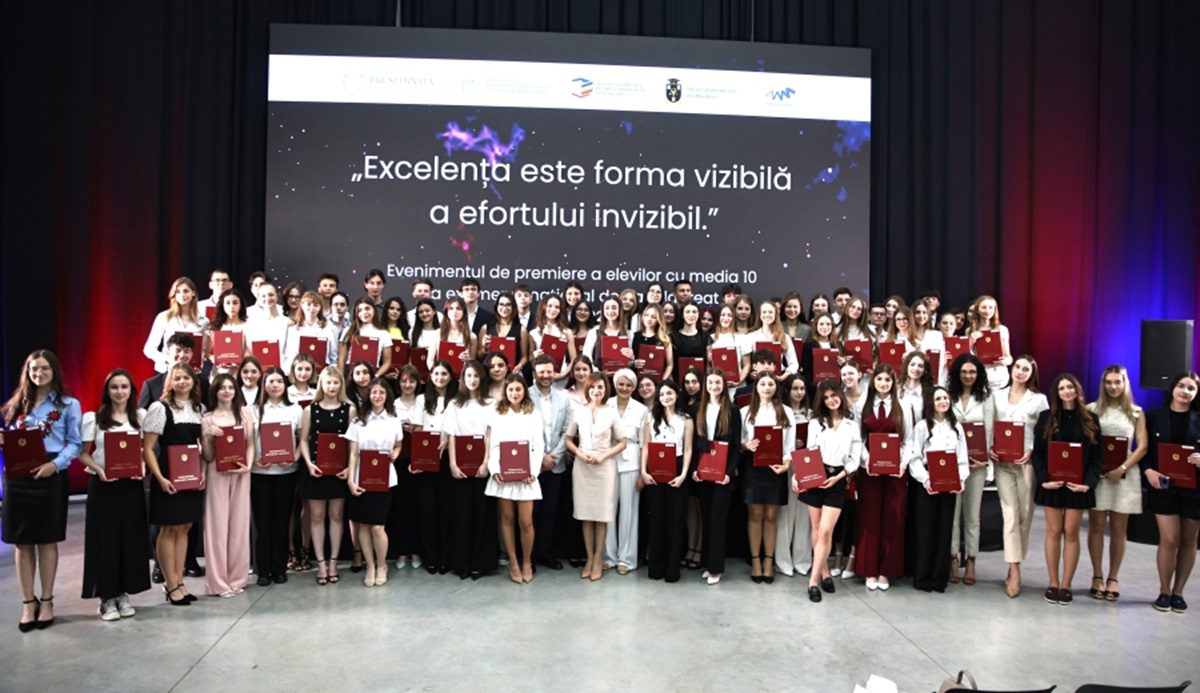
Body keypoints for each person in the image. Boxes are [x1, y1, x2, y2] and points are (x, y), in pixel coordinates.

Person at [2, 350, 82, 631]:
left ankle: (47, 600)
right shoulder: (17, 403)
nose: (39, 373)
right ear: (28, 372)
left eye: (45, 368)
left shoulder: (69, 404)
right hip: (18, 477)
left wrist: (55, 465)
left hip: (50, 473)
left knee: (47, 540)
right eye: (34, 369)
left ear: (54, 371)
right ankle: (28, 602)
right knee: (22, 542)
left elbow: (75, 443)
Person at [79, 369, 151, 621]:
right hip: (104, 487)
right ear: (107, 391)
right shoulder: (94, 418)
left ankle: (123, 594)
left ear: (131, 390)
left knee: (129, 540)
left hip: (130, 487)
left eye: (124, 387)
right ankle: (106, 598)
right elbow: (83, 453)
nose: (119, 392)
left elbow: (144, 449)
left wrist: (142, 465)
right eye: (114, 387)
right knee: (105, 541)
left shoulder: (140, 417)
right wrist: (99, 469)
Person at [1031, 373, 1102, 605]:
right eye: (1061, 388)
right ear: (1056, 393)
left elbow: (1097, 457)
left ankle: (1066, 584)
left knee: (1071, 532)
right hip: (1052, 484)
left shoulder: (1090, 419)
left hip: (1078, 486)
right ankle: (1053, 582)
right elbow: (1038, 454)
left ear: (1077, 389)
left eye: (1070, 387)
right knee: (1053, 531)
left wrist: (1087, 484)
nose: (1066, 391)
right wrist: (1044, 479)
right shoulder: (1046, 418)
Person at [141, 362, 205, 606]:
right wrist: (159, 478)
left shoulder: (199, 408)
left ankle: (180, 581)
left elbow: (200, 446)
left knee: (185, 527)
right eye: (177, 378)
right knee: (168, 529)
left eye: (186, 378)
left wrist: (202, 473)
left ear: (193, 381)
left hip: (190, 475)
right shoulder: (159, 408)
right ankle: (170, 584)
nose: (182, 382)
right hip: (167, 475)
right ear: (169, 381)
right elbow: (148, 448)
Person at [1085, 365, 1147, 602]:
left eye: (1117, 382)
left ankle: (1113, 577)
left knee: (1119, 529)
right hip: (1099, 476)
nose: (1113, 386)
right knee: (1096, 526)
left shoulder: (1136, 412)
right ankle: (1097, 575)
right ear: (1103, 384)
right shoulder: (1091, 409)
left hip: (1124, 475)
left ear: (1125, 383)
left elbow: (1142, 446)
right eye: (1108, 382)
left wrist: (1121, 468)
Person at [795, 380, 861, 603]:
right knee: (816, 528)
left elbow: (855, 458)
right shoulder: (816, 423)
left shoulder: (852, 425)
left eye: (834, 395)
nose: (831, 400)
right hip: (815, 474)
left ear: (840, 396)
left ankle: (812, 582)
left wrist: (839, 477)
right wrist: (798, 475)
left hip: (837, 479)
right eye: (826, 398)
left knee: (825, 531)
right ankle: (824, 573)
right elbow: (809, 451)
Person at [1140, 371, 1200, 614]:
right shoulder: (1153, 417)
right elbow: (1143, 451)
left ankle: (1179, 592)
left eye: (1191, 388)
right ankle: (1164, 591)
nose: (1185, 391)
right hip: (1162, 487)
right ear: (1172, 388)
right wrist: (1148, 471)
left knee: (1189, 541)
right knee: (1170, 539)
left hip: (1195, 489)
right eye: (1181, 386)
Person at [990, 355, 1049, 598]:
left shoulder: (1039, 399)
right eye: (1018, 367)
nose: (1020, 372)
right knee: (1010, 515)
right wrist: (989, 447)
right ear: (1012, 368)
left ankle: (1014, 562)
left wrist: (1032, 451)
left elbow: (1045, 431)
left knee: (1025, 515)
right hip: (1003, 463)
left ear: (1032, 374)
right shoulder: (996, 395)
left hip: (1026, 464)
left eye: (1026, 369)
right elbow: (989, 425)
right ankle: (1015, 571)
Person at [564, 373, 628, 581]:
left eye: (600, 387)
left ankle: (598, 559)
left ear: (606, 389)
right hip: (582, 467)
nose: (596, 391)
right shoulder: (579, 411)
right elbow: (568, 438)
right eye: (592, 387)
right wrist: (579, 453)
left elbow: (622, 442)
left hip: (604, 467)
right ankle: (589, 559)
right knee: (585, 514)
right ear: (587, 389)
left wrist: (603, 455)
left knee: (601, 515)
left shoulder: (611, 412)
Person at [854, 364, 912, 591]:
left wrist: (902, 463)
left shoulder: (903, 406)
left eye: (888, 380)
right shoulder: (862, 405)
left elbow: (908, 440)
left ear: (893, 383)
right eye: (879, 379)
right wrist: (867, 460)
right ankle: (869, 570)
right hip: (870, 471)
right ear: (873, 382)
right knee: (869, 519)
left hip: (895, 473)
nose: (883, 384)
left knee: (892, 518)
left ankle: (886, 571)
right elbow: (858, 439)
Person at [906, 386, 968, 592]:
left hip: (949, 483)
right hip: (928, 482)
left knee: (944, 529)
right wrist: (925, 479)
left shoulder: (956, 427)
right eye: (938, 398)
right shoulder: (922, 427)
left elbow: (962, 458)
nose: (943, 401)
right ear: (930, 403)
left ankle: (939, 578)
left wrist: (960, 479)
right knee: (925, 530)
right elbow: (915, 457)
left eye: (945, 398)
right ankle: (922, 576)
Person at [198, 372, 255, 597]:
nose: (227, 391)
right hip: (217, 474)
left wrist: (247, 465)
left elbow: (251, 444)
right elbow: (208, 456)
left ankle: (237, 578)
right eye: (222, 387)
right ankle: (218, 583)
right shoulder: (207, 418)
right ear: (215, 391)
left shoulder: (245, 413)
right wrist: (206, 437)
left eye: (230, 387)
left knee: (239, 526)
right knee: (217, 527)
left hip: (241, 473)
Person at [484, 374, 544, 583]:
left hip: (526, 475)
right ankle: (513, 562)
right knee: (507, 518)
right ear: (505, 392)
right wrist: (495, 469)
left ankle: (526, 561)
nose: (514, 393)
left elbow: (539, 445)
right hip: (504, 474)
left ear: (524, 390)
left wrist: (532, 471)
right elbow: (493, 445)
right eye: (510, 390)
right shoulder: (497, 413)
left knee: (526, 522)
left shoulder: (534, 414)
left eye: (518, 389)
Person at [298, 366, 355, 586]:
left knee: (337, 515)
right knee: (316, 516)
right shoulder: (309, 410)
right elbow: (303, 439)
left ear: (341, 385)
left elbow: (353, 443)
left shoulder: (349, 409)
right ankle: (321, 563)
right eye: (328, 382)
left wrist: (349, 468)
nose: (332, 386)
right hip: (317, 470)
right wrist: (309, 463)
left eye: (336, 382)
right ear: (321, 384)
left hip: (339, 472)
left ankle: (333, 562)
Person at [344, 377, 403, 587]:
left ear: (387, 396)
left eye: (381, 392)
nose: (377, 396)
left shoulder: (393, 420)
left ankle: (382, 565)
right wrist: (350, 480)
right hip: (361, 477)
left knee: (378, 526)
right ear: (368, 395)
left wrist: (396, 453)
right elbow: (353, 454)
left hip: (384, 478)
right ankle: (369, 566)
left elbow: (398, 444)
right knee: (363, 526)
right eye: (374, 392)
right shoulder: (358, 421)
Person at [248, 367, 303, 586]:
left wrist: (295, 457)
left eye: (279, 381)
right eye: (270, 381)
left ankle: (279, 568)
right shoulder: (252, 410)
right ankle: (262, 571)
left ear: (285, 384)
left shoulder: (295, 409)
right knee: (262, 524)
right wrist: (253, 460)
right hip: (259, 473)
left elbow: (302, 439)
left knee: (281, 522)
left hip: (286, 473)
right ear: (264, 384)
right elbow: (247, 441)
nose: (275, 385)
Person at [740, 372, 795, 584]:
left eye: (770, 384)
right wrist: (746, 445)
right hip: (753, 467)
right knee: (755, 514)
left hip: (776, 468)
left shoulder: (786, 411)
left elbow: (789, 445)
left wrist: (786, 464)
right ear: (756, 387)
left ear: (776, 387)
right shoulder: (745, 411)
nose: (766, 387)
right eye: (762, 383)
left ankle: (768, 561)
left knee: (771, 515)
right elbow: (740, 441)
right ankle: (755, 560)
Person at [443, 360, 496, 579]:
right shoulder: (454, 405)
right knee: (462, 515)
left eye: (476, 376)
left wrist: (486, 463)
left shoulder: (491, 403)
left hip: (483, 466)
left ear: (482, 378)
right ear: (462, 379)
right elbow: (452, 436)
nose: (472, 380)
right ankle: (462, 563)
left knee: (483, 514)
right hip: (460, 468)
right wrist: (453, 464)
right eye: (468, 376)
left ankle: (480, 564)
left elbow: (490, 435)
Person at [640, 379, 695, 583]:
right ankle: (656, 567)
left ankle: (672, 568)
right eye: (662, 394)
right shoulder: (650, 417)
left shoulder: (686, 419)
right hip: (655, 468)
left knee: (675, 520)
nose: (666, 397)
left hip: (677, 468)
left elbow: (688, 449)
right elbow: (646, 446)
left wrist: (683, 474)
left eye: (669, 393)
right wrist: (643, 471)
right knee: (656, 519)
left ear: (677, 395)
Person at [947, 354, 994, 586]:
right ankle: (953, 558)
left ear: (979, 374)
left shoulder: (986, 397)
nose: (968, 376)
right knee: (953, 515)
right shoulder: (949, 396)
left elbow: (989, 431)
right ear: (957, 373)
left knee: (973, 515)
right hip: (953, 465)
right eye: (964, 371)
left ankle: (972, 559)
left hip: (976, 466)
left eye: (972, 372)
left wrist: (985, 460)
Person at [692, 369, 741, 584]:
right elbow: (692, 443)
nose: (714, 386)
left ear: (724, 385)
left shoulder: (732, 410)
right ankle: (707, 563)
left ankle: (716, 568)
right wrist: (695, 469)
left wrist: (729, 473)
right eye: (710, 382)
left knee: (718, 520)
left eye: (718, 383)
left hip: (722, 474)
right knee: (707, 518)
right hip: (703, 473)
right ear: (706, 385)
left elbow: (736, 446)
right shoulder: (697, 409)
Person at [529, 355, 573, 570]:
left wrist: (553, 456)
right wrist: (540, 457)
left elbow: (567, 430)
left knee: (549, 512)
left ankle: (545, 554)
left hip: (556, 464)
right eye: (542, 372)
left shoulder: (563, 397)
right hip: (531, 465)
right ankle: (528, 556)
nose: (546, 376)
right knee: (531, 513)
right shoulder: (525, 395)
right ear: (534, 373)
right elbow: (523, 431)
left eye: (549, 371)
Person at [412, 361, 456, 574]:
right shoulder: (422, 399)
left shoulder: (456, 399)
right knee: (427, 510)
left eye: (444, 373)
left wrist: (446, 442)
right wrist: (419, 458)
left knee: (447, 509)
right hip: (427, 458)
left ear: (450, 376)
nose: (440, 377)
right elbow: (418, 429)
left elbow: (456, 429)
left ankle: (445, 556)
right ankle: (430, 557)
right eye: (436, 373)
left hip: (448, 456)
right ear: (430, 376)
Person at [605, 368, 648, 574]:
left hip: (632, 462)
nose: (624, 388)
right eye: (621, 384)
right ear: (615, 385)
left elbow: (644, 444)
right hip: (608, 460)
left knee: (629, 512)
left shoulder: (641, 409)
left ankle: (627, 559)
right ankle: (609, 557)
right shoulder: (606, 404)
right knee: (608, 510)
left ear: (634, 387)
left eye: (629, 385)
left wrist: (642, 472)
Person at [775, 374, 813, 578]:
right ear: (787, 391)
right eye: (795, 388)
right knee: (786, 513)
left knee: (805, 514)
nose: (799, 392)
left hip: (807, 464)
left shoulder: (812, 413)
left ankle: (802, 560)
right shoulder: (782, 412)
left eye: (802, 388)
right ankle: (783, 561)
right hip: (787, 464)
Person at [143, 277, 206, 373]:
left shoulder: (204, 321)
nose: (182, 295)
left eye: (186, 291)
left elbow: (204, 351)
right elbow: (149, 349)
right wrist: (167, 360)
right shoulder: (164, 317)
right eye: (178, 292)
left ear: (193, 293)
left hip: (192, 373)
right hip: (166, 371)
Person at [284, 290, 338, 372]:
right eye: (308, 304)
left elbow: (333, 357)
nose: (312, 308)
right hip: (300, 373)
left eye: (316, 305)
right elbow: (290, 356)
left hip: (322, 374)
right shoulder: (293, 330)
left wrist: (330, 372)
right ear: (302, 305)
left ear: (320, 307)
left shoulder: (329, 329)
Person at [477, 292, 530, 374]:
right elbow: (479, 355)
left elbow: (524, 356)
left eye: (508, 305)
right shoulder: (486, 328)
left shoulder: (521, 329)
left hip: (511, 374)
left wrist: (519, 366)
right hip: (490, 374)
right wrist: (484, 348)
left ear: (513, 307)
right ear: (496, 306)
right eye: (501, 304)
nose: (504, 308)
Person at [969, 295, 1013, 390]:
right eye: (984, 307)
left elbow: (1009, 358)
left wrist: (1005, 361)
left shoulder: (1002, 329)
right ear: (977, 310)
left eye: (990, 307)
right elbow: (966, 357)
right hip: (979, 378)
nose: (987, 311)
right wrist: (971, 341)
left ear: (995, 309)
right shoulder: (970, 330)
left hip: (999, 378)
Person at [338, 298, 393, 374]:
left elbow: (387, 362)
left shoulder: (384, 334)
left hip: (373, 373)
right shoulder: (348, 330)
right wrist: (341, 377)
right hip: (350, 373)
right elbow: (341, 359)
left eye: (367, 308)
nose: (364, 312)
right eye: (359, 310)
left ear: (374, 310)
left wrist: (375, 376)